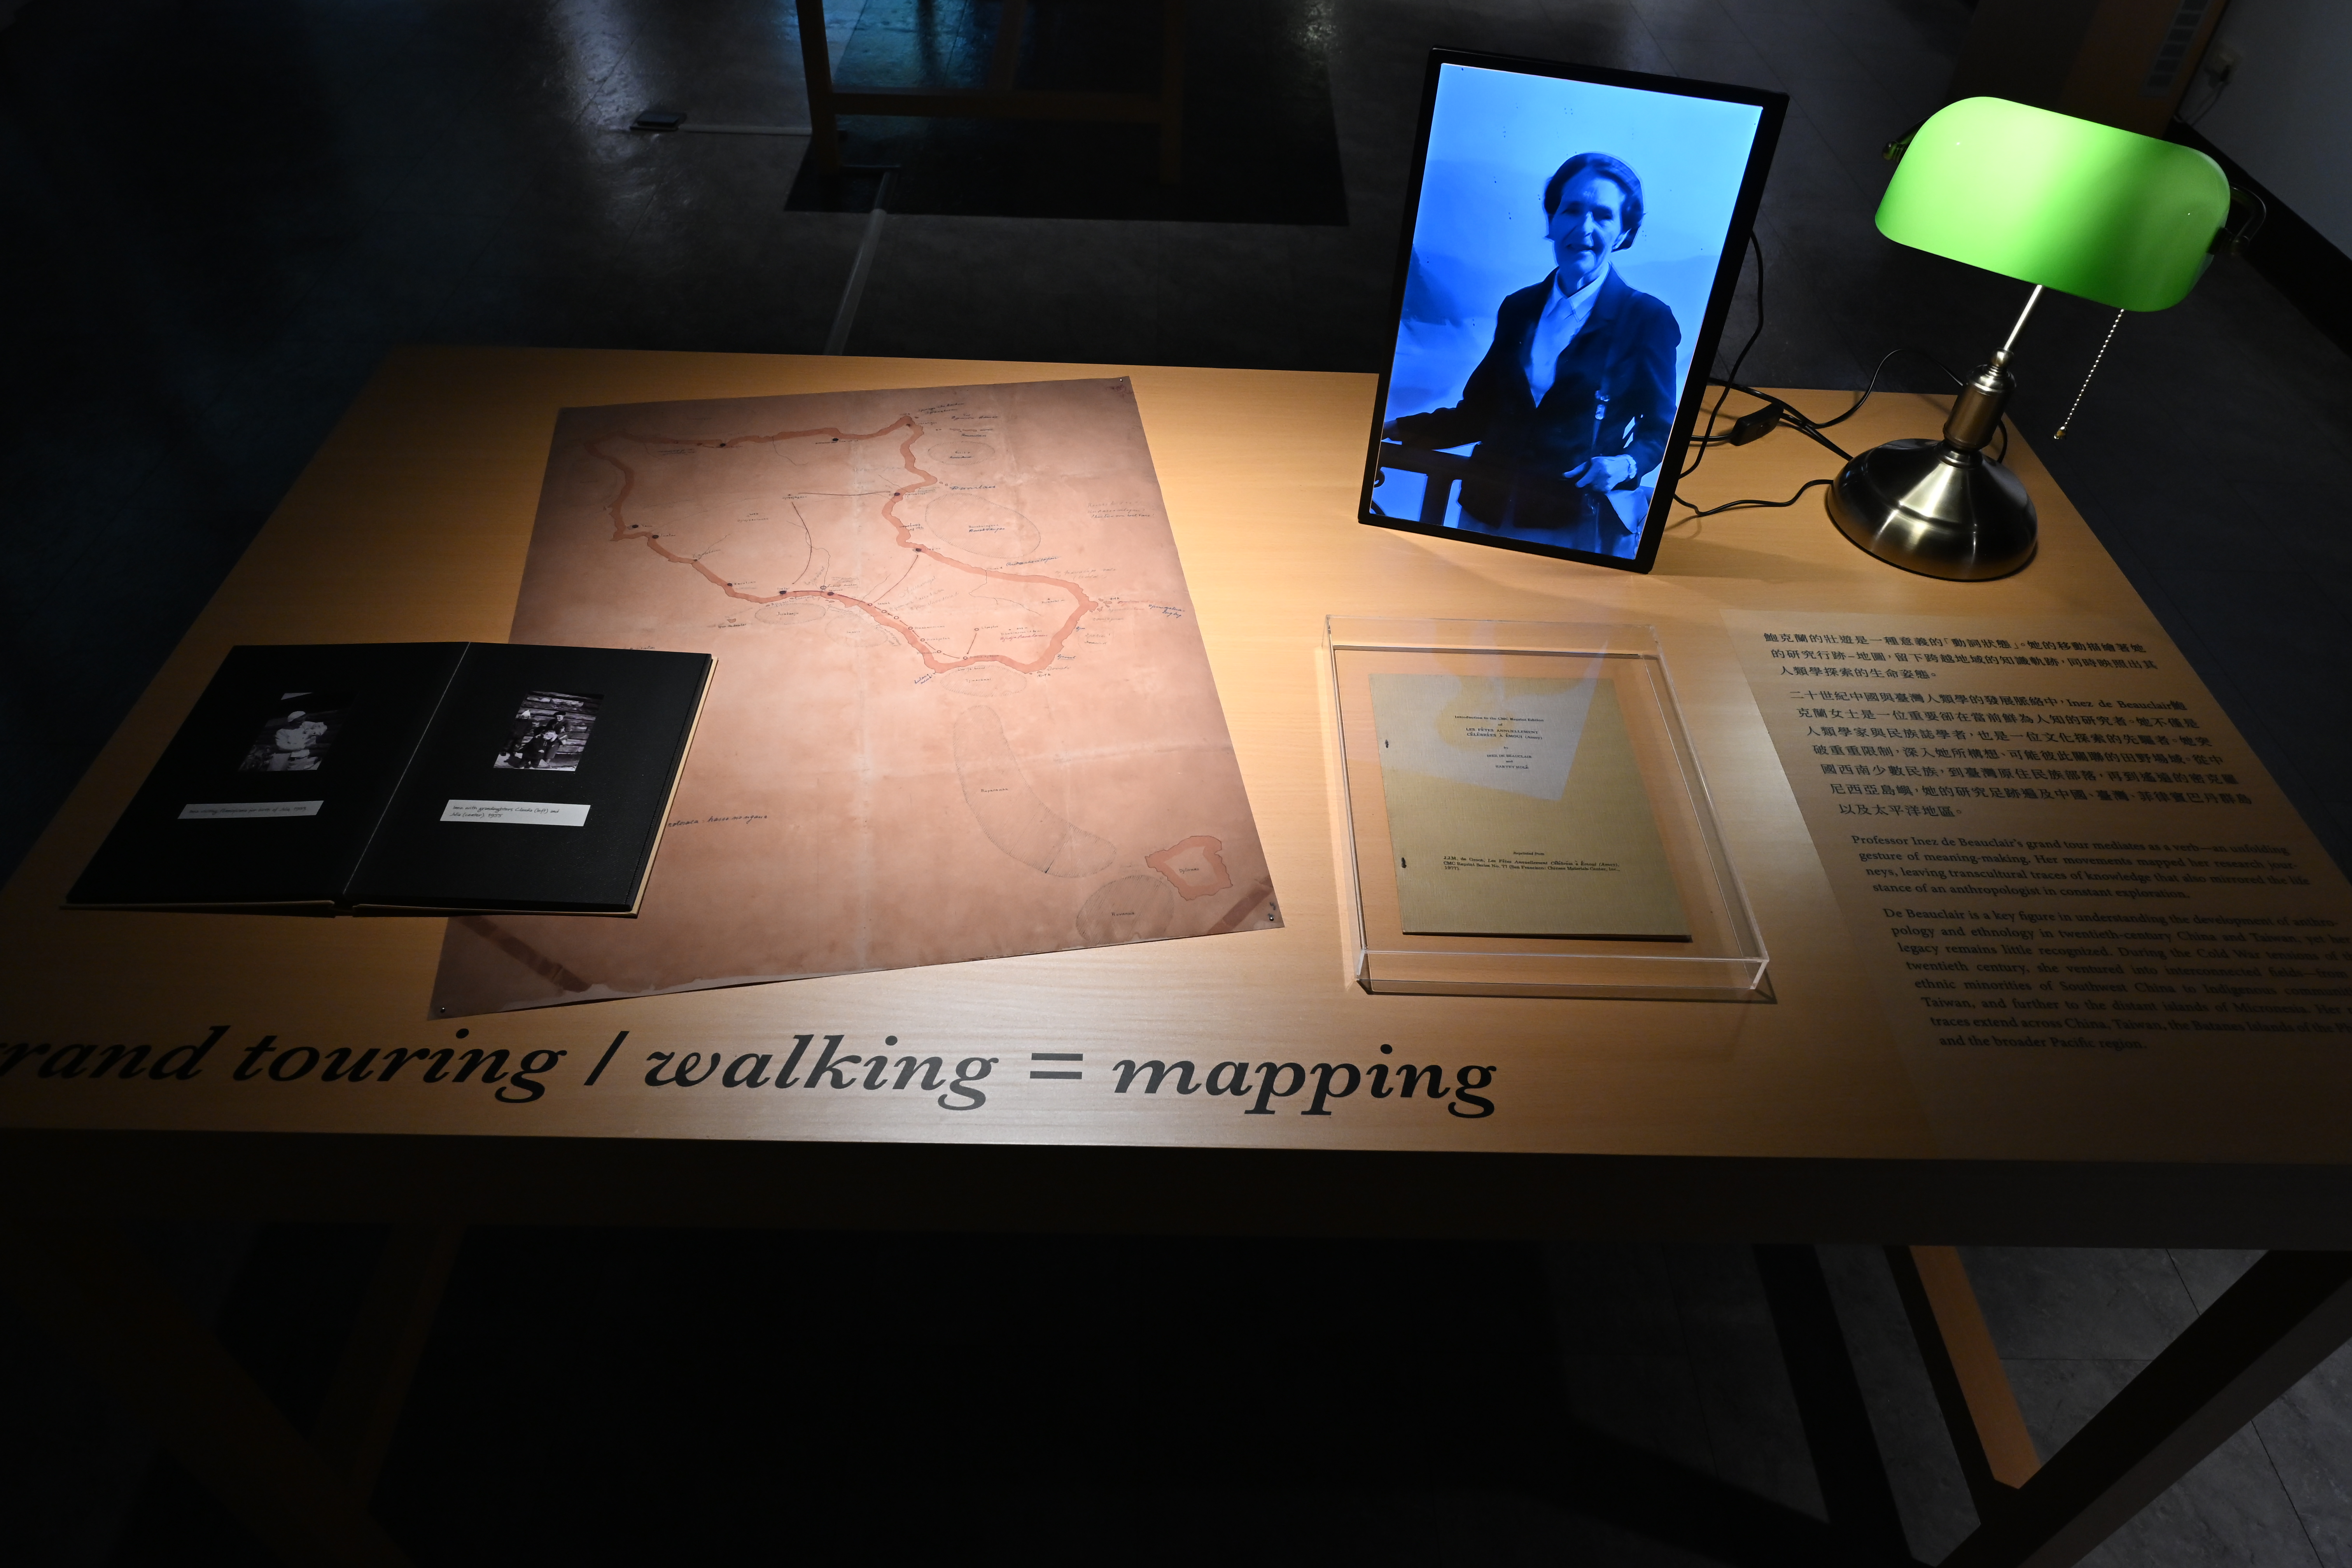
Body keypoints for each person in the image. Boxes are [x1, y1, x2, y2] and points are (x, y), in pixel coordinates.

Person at [1384, 152, 1680, 555]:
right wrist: (1393, 429)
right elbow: (1479, 414)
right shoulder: (1519, 307)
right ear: (1552, 220)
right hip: (1484, 512)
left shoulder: (1647, 319)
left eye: (1603, 216)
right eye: (1571, 210)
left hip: (1572, 520)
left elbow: (1660, 431)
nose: (1584, 228)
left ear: (1624, 233)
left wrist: (1624, 466)